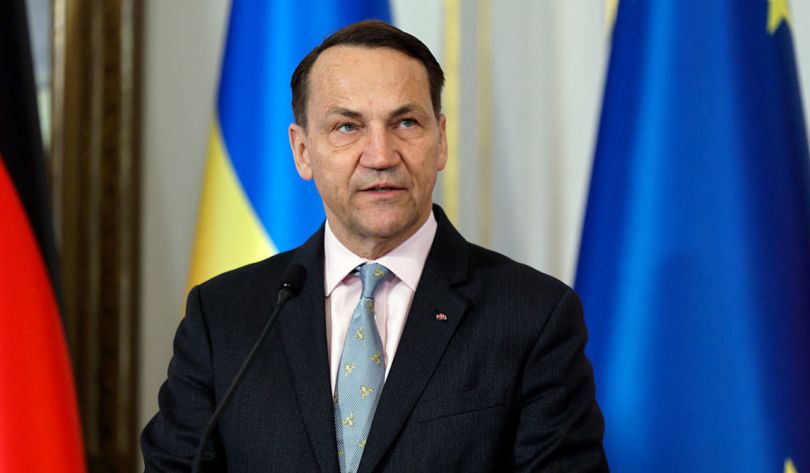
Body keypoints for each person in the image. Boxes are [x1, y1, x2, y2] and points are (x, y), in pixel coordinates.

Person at [141, 20, 607, 473]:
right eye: (347, 127)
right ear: (302, 151)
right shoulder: (222, 316)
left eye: (405, 122)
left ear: (440, 140)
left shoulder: (533, 316)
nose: (381, 156)